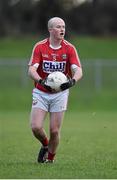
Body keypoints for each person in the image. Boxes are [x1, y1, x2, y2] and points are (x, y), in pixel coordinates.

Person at [28, 17, 83, 163]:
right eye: (58, 27)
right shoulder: (40, 46)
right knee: (36, 127)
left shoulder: (69, 48)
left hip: (60, 94)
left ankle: (50, 160)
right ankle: (45, 145)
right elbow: (31, 70)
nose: (62, 29)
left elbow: (78, 71)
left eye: (63, 27)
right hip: (41, 92)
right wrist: (41, 81)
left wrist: (72, 81)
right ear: (50, 29)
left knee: (54, 130)